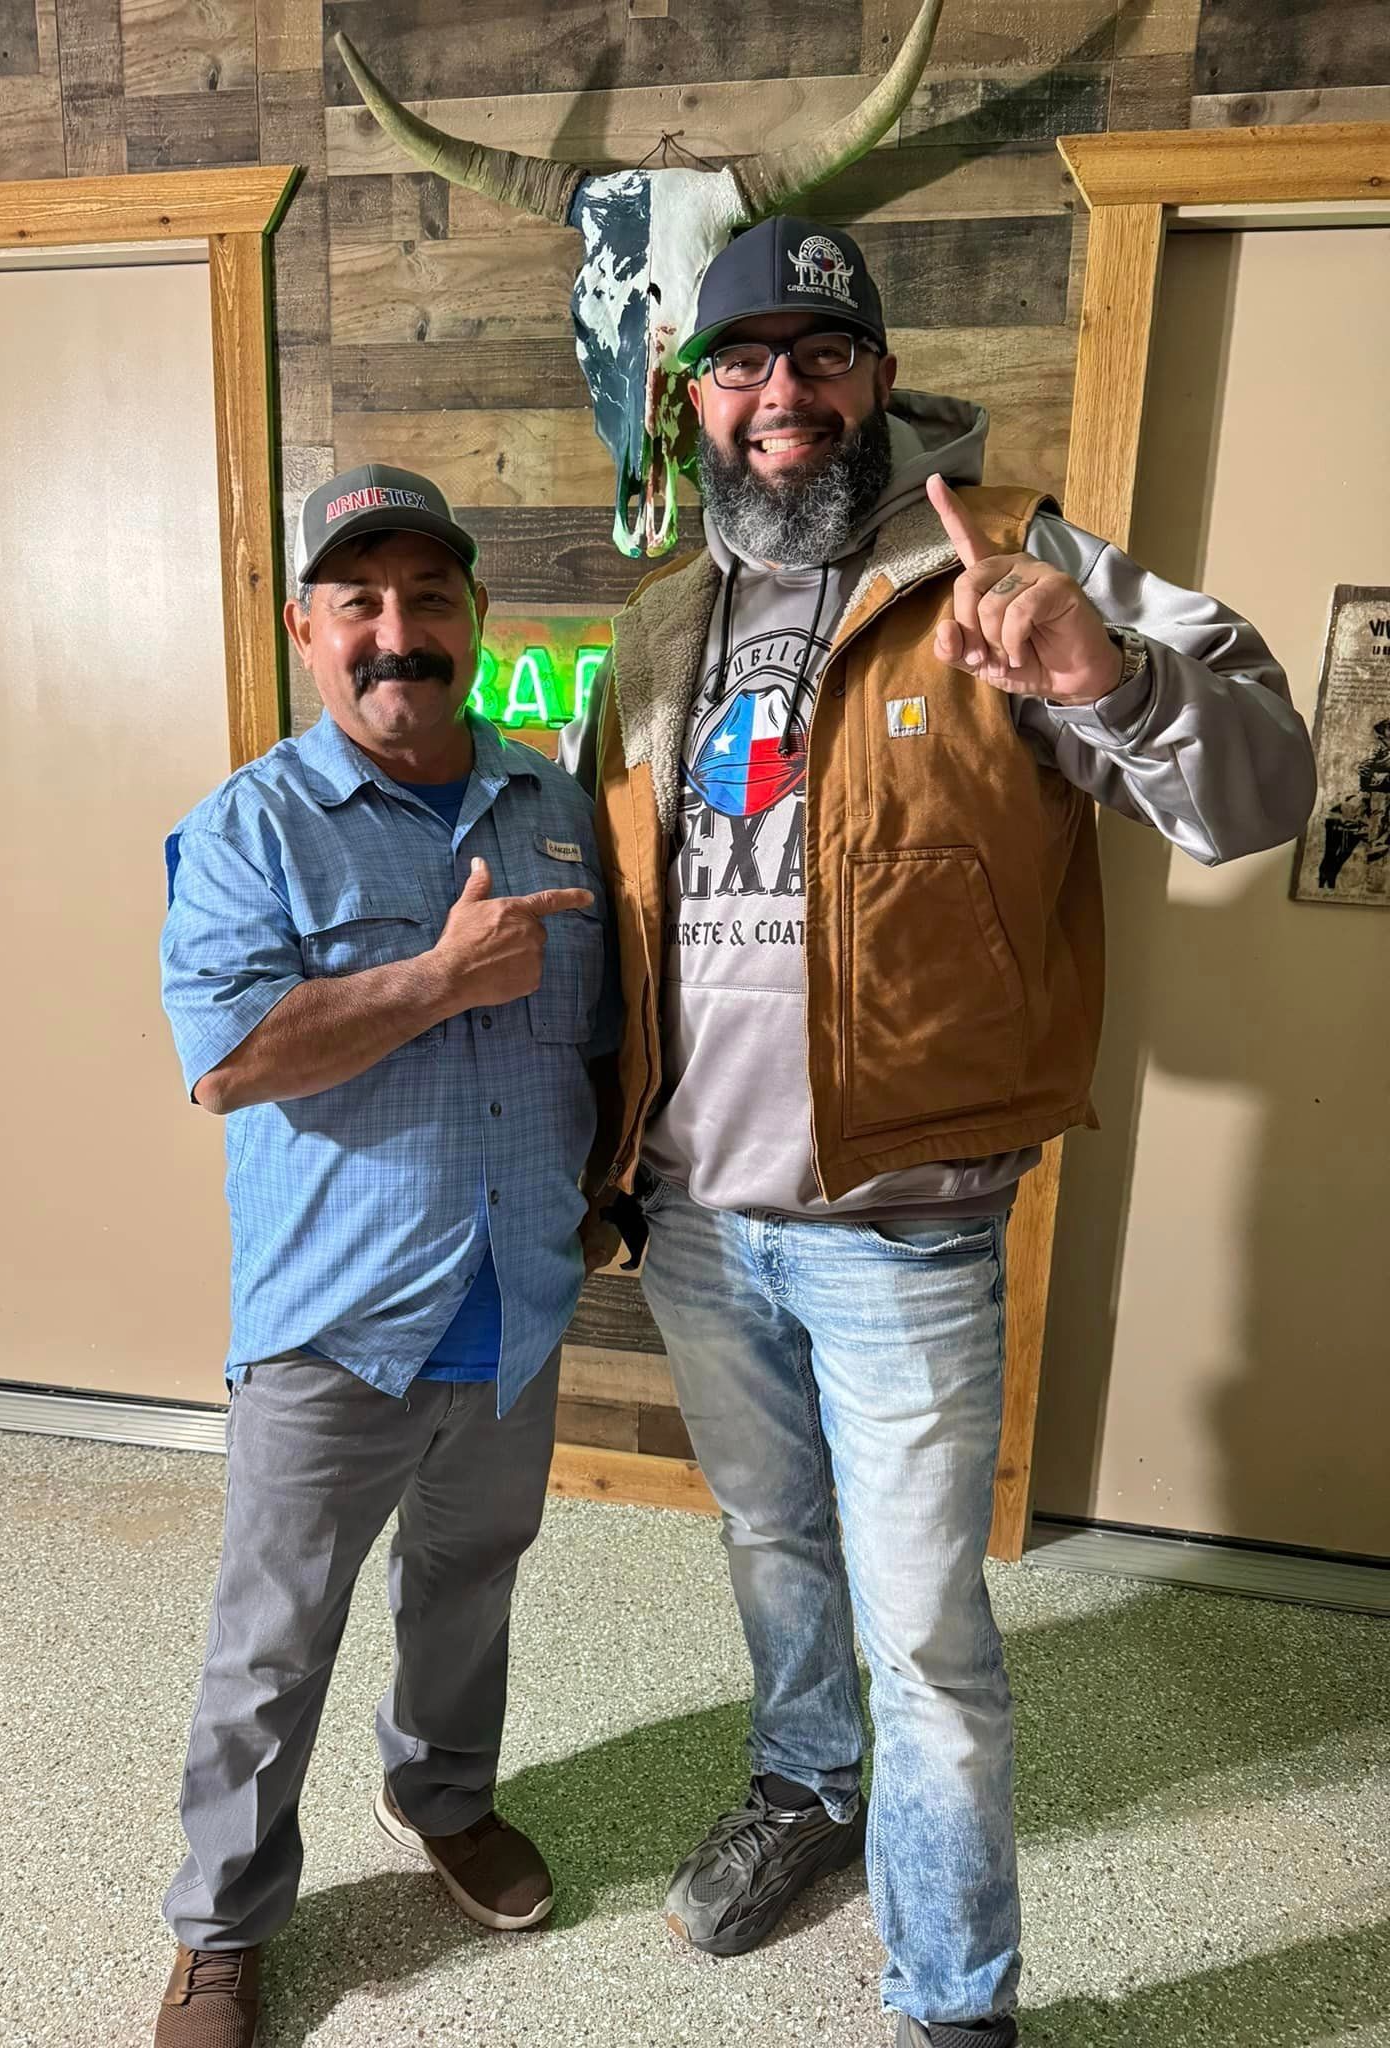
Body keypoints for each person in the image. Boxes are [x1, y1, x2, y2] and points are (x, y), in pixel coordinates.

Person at [563, 216, 1316, 2046]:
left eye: (823, 357)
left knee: (930, 1645)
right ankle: (810, 1794)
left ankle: (952, 1996)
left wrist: (1107, 682)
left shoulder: (1021, 557)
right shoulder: (660, 628)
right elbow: (624, 905)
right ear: (696, 400)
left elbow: (1264, 793)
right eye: (745, 363)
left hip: (903, 1223)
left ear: (882, 380)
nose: (784, 397)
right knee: (772, 1548)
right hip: (694, 1213)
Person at [155, 463, 615, 2047]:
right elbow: (225, 1062)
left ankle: (446, 1799)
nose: (397, 633)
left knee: (468, 1586)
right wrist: (434, 980)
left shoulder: (555, 802)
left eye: (429, 599)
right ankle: (221, 1926)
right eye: (360, 602)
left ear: (477, 619)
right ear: (308, 628)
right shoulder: (250, 828)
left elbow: (604, 1030)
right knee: (274, 1640)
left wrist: (609, 1193)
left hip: (518, 1305)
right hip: (331, 1327)